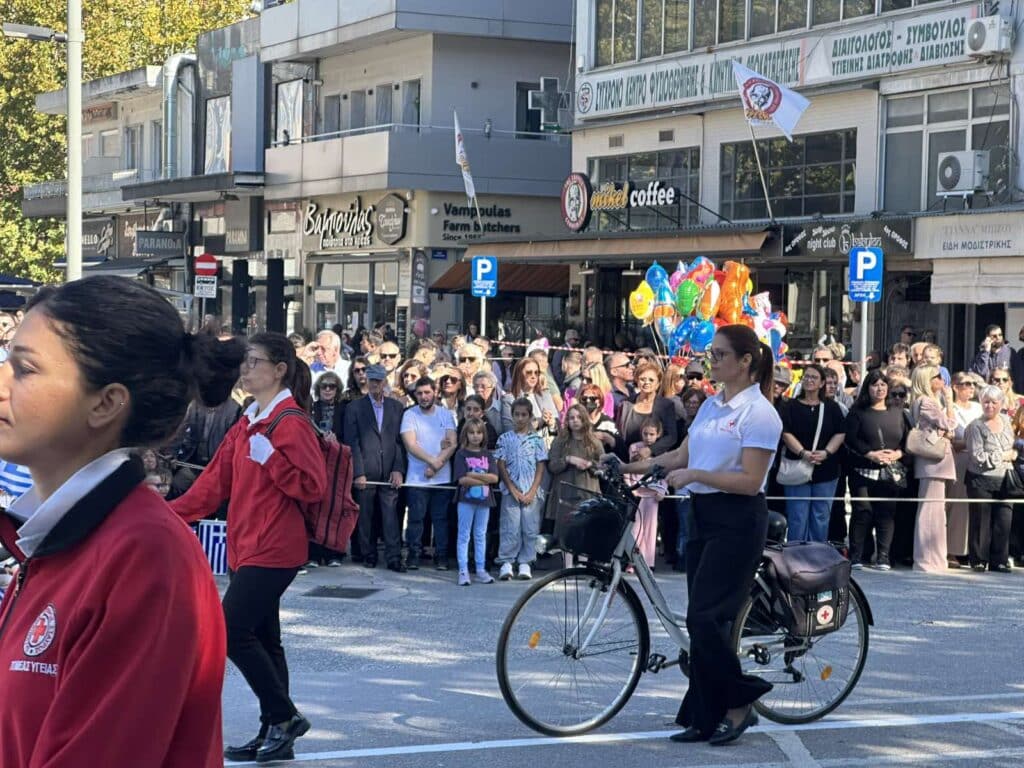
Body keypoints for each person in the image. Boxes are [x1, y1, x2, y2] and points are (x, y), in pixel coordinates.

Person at [0, 277, 226, 767]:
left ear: (105, 403)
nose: (1, 382)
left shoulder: (143, 556)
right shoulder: (51, 540)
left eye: (24, 369)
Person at [615, 324, 781, 746]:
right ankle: (707, 713)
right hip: (704, 515)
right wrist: (625, 467)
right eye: (712, 353)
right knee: (706, 621)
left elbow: (750, 480)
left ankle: (740, 702)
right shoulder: (710, 406)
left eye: (721, 354)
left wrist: (694, 475)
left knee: (704, 618)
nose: (713, 361)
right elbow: (677, 455)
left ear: (745, 362)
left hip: (739, 518)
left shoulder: (759, 413)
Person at [172, 332, 326, 763]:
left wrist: (272, 458)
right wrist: (168, 512)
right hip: (247, 544)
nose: (246, 368)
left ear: (279, 370)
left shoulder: (288, 421)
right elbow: (212, 484)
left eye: (255, 361)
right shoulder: (249, 420)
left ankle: (284, 716)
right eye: (246, 361)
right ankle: (275, 732)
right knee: (264, 638)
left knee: (230, 631)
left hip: (275, 547)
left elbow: (314, 487)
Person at [344, 364, 406, 572]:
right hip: (366, 470)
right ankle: (368, 554)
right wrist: (358, 472)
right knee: (366, 516)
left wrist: (398, 469)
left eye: (378, 381)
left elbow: (399, 441)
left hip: (389, 470)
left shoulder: (396, 407)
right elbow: (352, 442)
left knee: (390, 516)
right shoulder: (354, 407)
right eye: (371, 381)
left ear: (385, 382)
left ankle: (394, 557)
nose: (374, 385)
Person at [844, 370, 908, 571]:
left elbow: (908, 440)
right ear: (867, 388)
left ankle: (883, 556)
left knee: (886, 514)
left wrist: (898, 454)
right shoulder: (857, 412)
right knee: (862, 512)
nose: (879, 388)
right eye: (874, 384)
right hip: (862, 470)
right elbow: (851, 439)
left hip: (890, 471)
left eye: (883, 384)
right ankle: (856, 555)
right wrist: (869, 454)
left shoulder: (898, 412)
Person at [778, 364, 846, 542]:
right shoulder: (790, 406)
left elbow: (840, 432)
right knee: (797, 516)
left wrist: (827, 452)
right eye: (806, 376)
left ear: (822, 383)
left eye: (814, 377)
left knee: (820, 516)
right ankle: (795, 555)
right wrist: (803, 452)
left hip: (826, 469)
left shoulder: (832, 407)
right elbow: (786, 433)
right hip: (797, 466)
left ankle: (816, 557)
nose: (809, 380)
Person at [401, 376, 457, 570]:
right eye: (419, 393)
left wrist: (436, 466)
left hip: (442, 479)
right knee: (416, 519)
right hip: (417, 478)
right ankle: (413, 555)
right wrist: (432, 461)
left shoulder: (445, 414)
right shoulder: (410, 415)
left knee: (440, 519)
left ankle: (441, 556)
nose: (423, 397)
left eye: (427, 392)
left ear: (435, 392)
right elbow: (411, 444)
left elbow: (452, 442)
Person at [908, 365, 956, 573]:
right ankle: (927, 559)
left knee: (935, 510)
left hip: (935, 462)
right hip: (933, 462)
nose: (941, 380)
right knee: (931, 510)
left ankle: (934, 558)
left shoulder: (925, 401)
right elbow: (950, 423)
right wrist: (950, 400)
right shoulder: (926, 401)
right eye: (936, 377)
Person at [495, 397, 548, 581]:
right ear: (512, 416)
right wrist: (512, 489)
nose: (520, 418)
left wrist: (533, 490)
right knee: (510, 526)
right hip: (511, 490)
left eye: (524, 415)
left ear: (530, 416)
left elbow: (541, 465)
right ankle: (507, 562)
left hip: (530, 490)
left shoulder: (536, 440)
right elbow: (501, 465)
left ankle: (526, 562)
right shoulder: (504, 438)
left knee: (530, 527)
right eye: (516, 414)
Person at [965, 386, 1017, 572]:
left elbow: (1014, 447)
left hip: (1006, 479)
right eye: (986, 402)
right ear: (981, 403)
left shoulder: (1007, 420)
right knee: (980, 521)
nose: (990, 406)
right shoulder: (975, 426)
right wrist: (1003, 456)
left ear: (1001, 404)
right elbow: (978, 457)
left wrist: (1013, 453)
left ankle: (1000, 560)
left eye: (994, 402)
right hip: (980, 479)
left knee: (1004, 520)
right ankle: (978, 560)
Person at [545, 404, 603, 563]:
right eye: (571, 418)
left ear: (585, 419)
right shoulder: (561, 441)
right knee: (566, 528)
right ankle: (568, 565)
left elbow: (603, 465)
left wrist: (591, 465)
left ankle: (584, 564)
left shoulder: (594, 442)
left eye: (578, 417)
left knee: (586, 528)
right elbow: (552, 465)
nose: (575, 421)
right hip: (566, 490)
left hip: (588, 489)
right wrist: (568, 459)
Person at [453, 417, 499, 585]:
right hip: (465, 500)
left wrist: (473, 475)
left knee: (480, 535)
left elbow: (494, 478)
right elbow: (461, 480)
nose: (475, 436)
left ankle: (480, 569)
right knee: (464, 535)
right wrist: (482, 479)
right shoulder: (461, 454)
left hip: (485, 501)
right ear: (466, 434)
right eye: (471, 433)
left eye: (479, 432)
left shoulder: (488, 455)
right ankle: (463, 570)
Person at [949, 372, 982, 568]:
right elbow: (952, 438)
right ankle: (953, 551)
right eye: (966, 384)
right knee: (957, 507)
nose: (971, 388)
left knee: (973, 508)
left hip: (977, 461)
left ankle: (970, 551)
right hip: (959, 460)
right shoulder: (951, 408)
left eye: (973, 385)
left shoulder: (978, 407)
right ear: (955, 387)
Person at [626, 416, 669, 568]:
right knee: (635, 528)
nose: (648, 437)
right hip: (637, 493)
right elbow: (628, 470)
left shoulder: (661, 452)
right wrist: (630, 487)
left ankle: (648, 562)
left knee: (650, 529)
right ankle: (632, 562)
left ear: (658, 434)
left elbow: (665, 475)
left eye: (652, 434)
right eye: (645, 434)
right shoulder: (634, 447)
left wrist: (663, 490)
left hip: (652, 495)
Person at [615, 361, 678, 460]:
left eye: (651, 380)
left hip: (654, 461)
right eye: (642, 379)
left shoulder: (666, 405)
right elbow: (618, 432)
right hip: (627, 459)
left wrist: (651, 450)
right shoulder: (626, 403)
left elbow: (671, 437)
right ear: (637, 381)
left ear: (658, 383)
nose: (646, 383)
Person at [508, 357, 559, 445]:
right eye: (529, 373)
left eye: (536, 373)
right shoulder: (510, 399)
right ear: (519, 374)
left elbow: (557, 429)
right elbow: (510, 432)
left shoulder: (545, 395)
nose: (533, 376)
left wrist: (552, 423)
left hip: (547, 449)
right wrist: (539, 422)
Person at [578, 383, 619, 451]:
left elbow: (620, 448)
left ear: (599, 401)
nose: (588, 401)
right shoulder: (577, 421)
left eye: (592, 398)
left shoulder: (608, 423)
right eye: (584, 398)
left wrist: (608, 438)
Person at [473, 370, 511, 436]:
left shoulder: (502, 408)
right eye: (476, 386)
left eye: (483, 387)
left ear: (493, 390)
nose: (479, 390)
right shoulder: (470, 409)